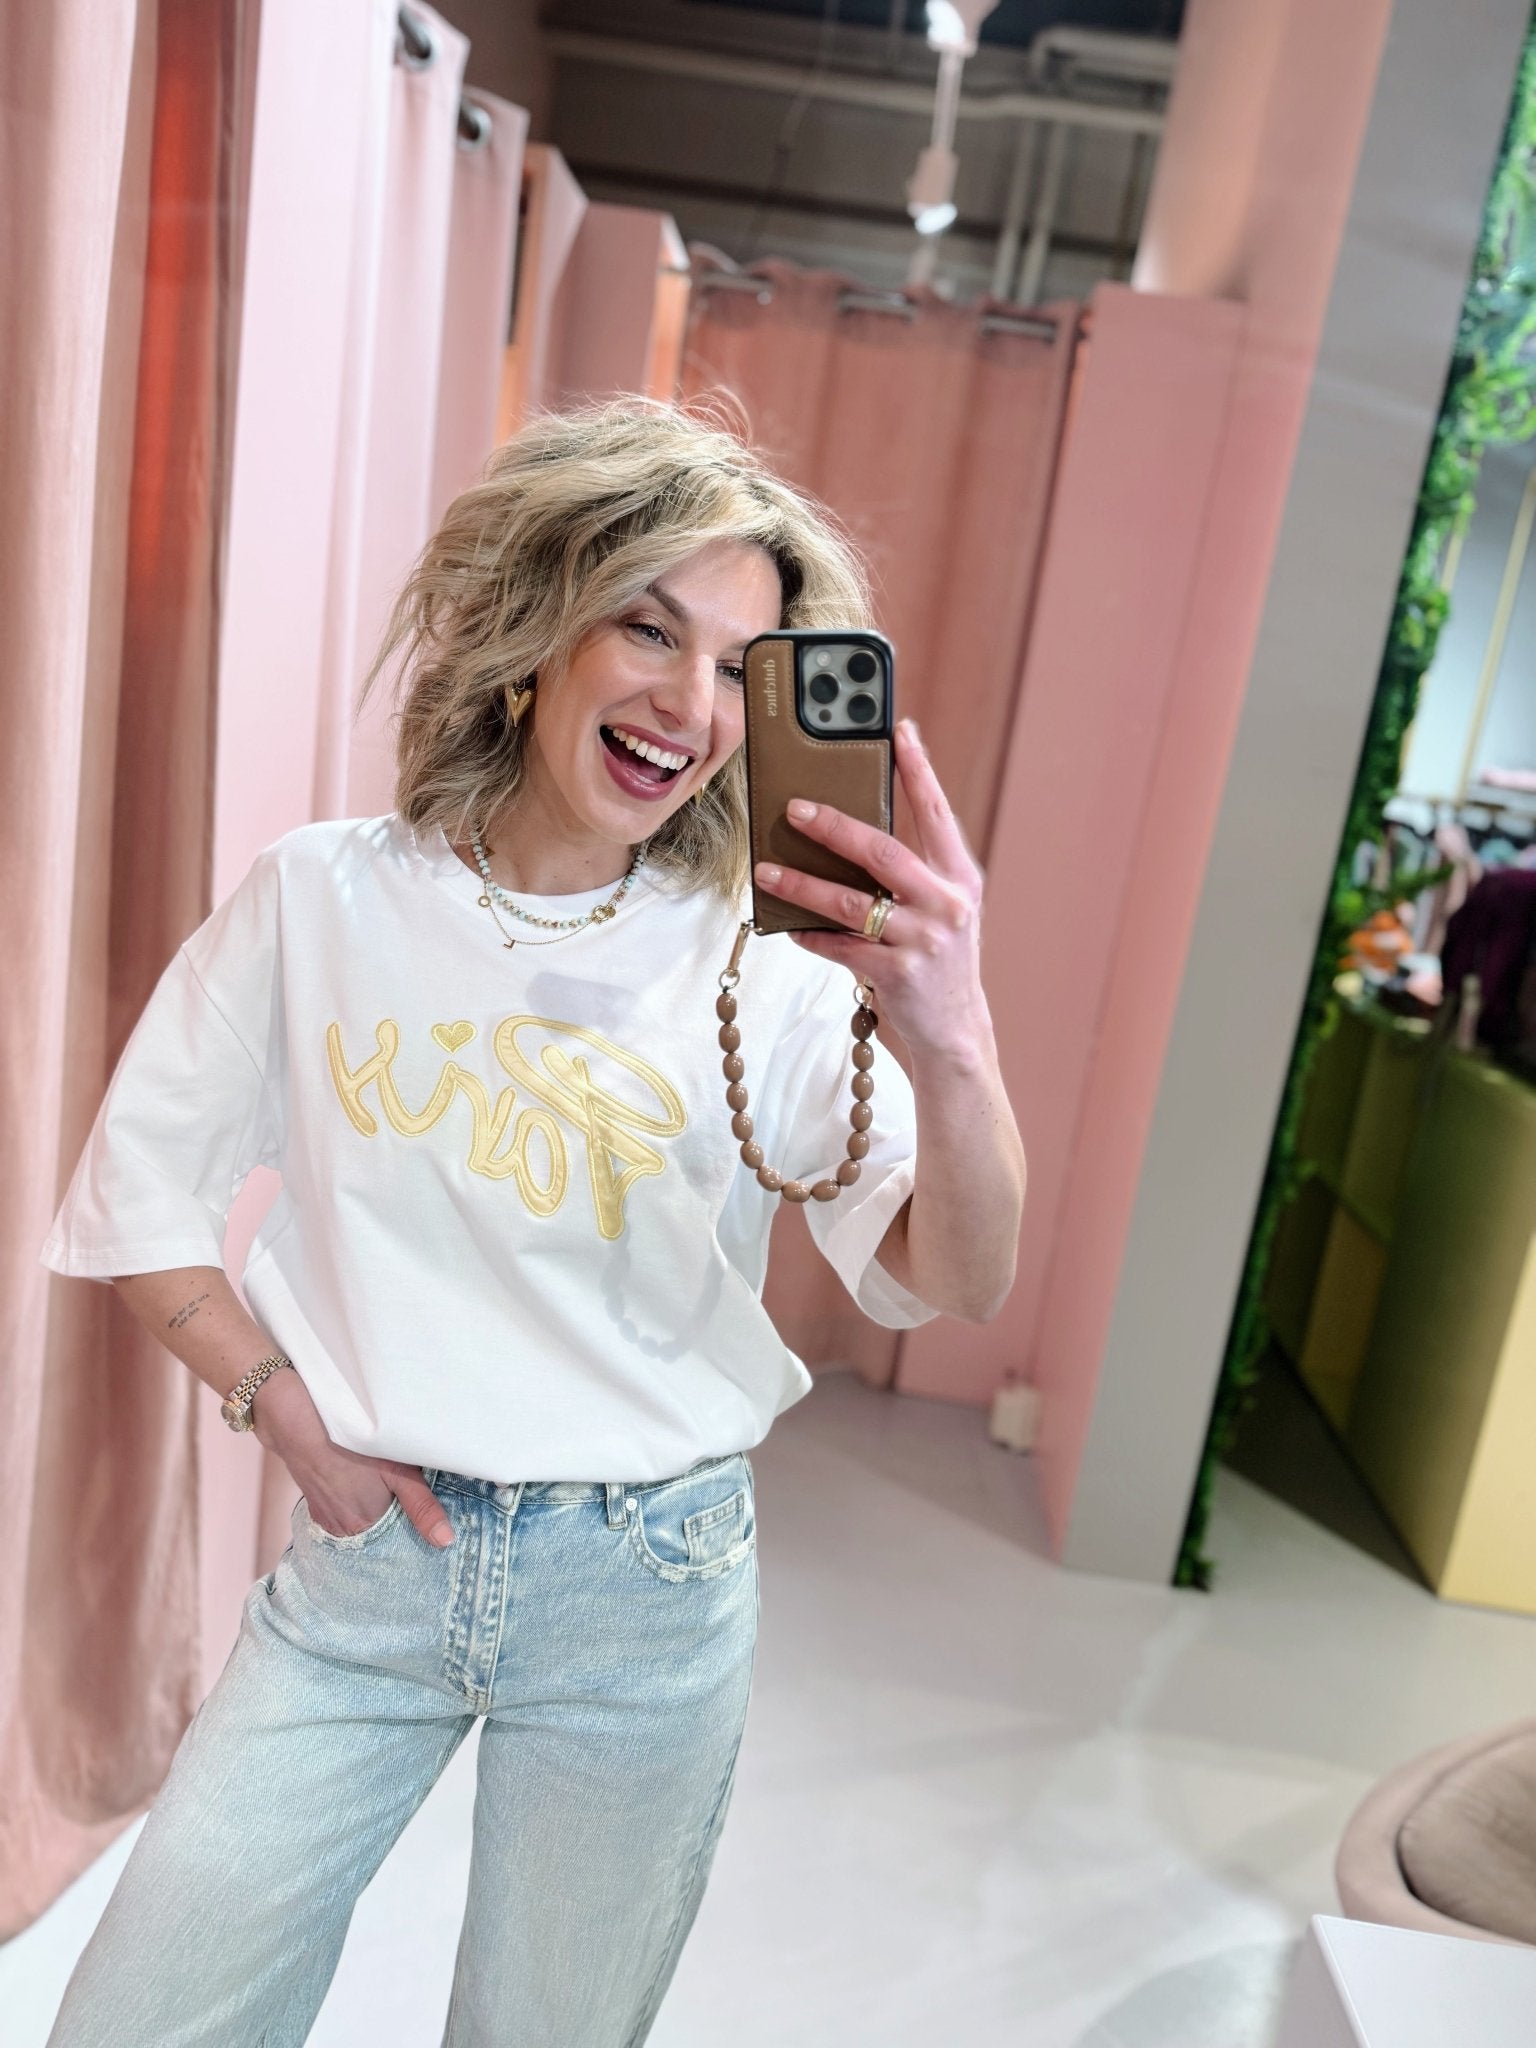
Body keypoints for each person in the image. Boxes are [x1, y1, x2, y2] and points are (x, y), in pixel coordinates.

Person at [37, 398, 1026, 2047]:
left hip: (649, 1587)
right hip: (371, 1574)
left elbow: (956, 1274)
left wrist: (957, 1037)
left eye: (741, 668)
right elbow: (143, 1197)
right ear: (537, 629)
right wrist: (278, 1407)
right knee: (145, 2014)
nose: (691, 703)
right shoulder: (321, 897)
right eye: (649, 627)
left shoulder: (764, 960)